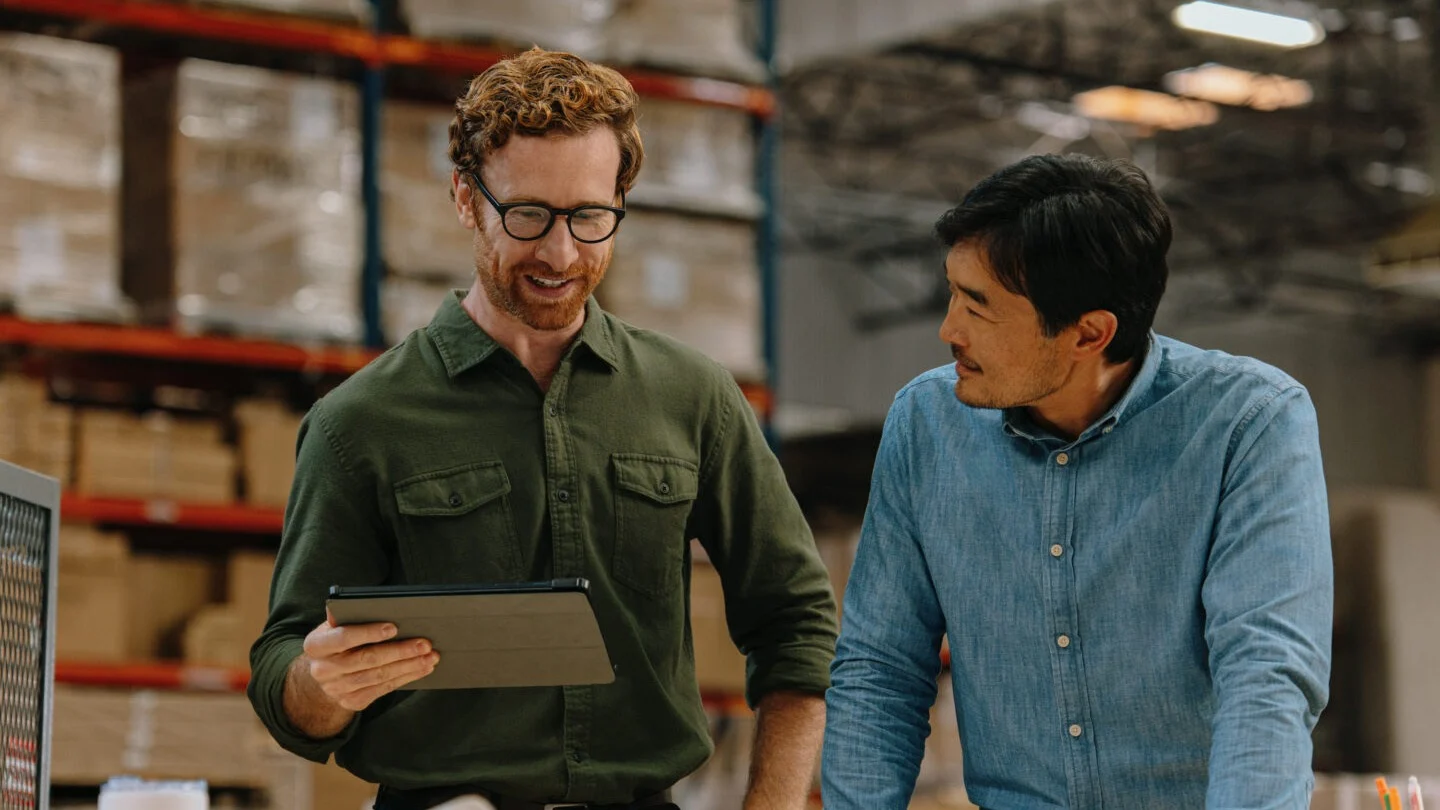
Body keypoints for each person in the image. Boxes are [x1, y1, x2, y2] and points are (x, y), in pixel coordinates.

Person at [248, 48, 837, 810]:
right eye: (527, 215)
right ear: (466, 198)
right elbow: (283, 676)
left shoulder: (693, 397)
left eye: (590, 217)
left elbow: (797, 623)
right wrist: (320, 685)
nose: (561, 254)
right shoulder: (359, 424)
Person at [822, 154, 1333, 809]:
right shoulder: (927, 425)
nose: (948, 330)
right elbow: (881, 668)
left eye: (978, 308)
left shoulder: (1249, 423)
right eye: (952, 292)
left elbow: (1265, 673)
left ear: (1089, 333)